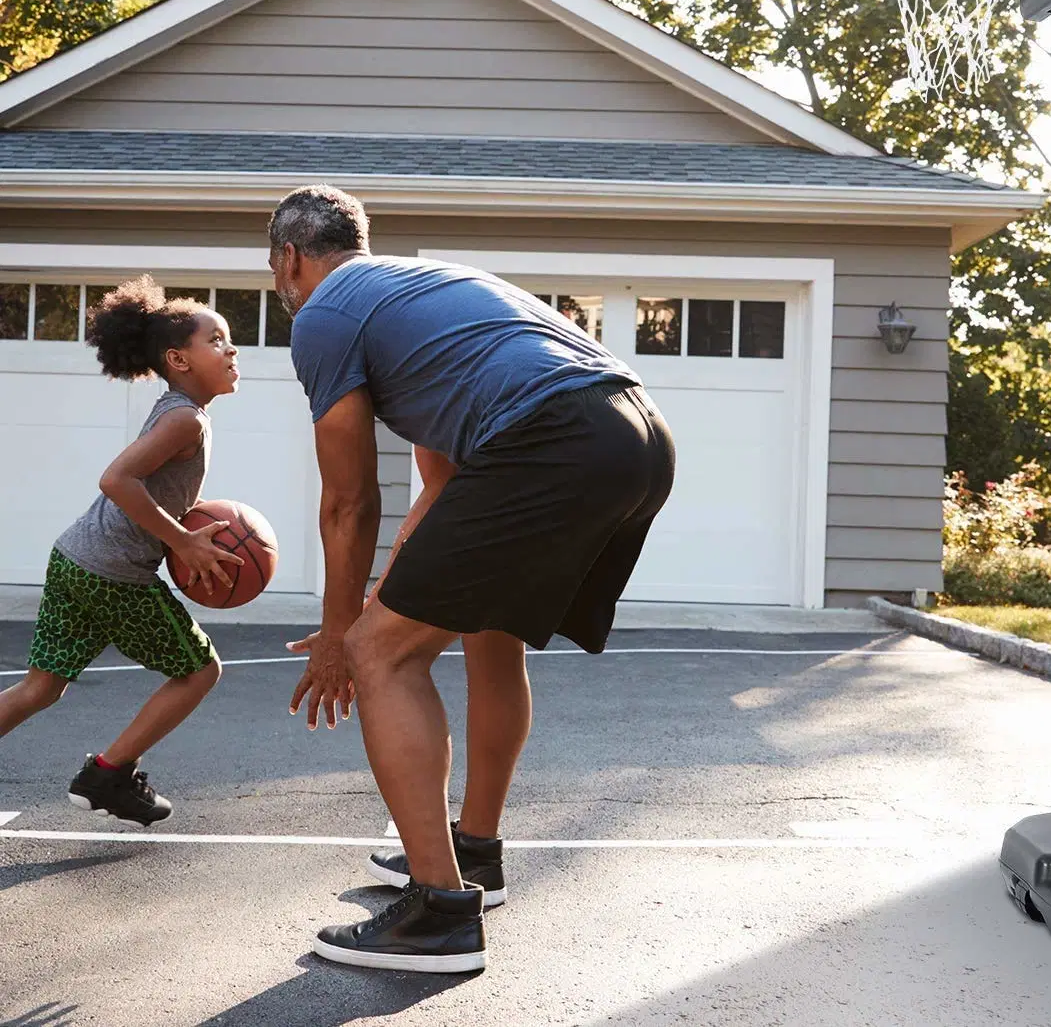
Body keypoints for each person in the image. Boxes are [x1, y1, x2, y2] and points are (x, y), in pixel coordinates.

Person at [269, 185, 674, 974]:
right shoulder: (421, 291)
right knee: (487, 631)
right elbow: (443, 483)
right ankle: (474, 855)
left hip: (552, 438)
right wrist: (391, 593)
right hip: (636, 434)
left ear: (289, 258)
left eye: (276, 272)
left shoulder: (324, 315)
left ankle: (439, 915)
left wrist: (343, 636)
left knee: (384, 656)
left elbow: (349, 500)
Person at [0, 278, 244, 825]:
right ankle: (108, 774)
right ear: (179, 358)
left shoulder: (181, 411)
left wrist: (190, 521)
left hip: (74, 558)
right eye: (218, 341)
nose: (232, 351)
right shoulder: (184, 418)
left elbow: (153, 487)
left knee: (40, 688)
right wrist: (182, 539)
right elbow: (116, 479)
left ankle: (108, 772)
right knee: (200, 671)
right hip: (112, 572)